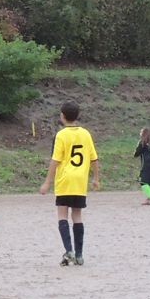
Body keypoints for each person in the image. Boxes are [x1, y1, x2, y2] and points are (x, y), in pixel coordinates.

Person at [39, 102, 100, 267]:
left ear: (62, 116)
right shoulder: (86, 134)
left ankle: (69, 251)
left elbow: (55, 160)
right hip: (80, 181)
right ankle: (79, 255)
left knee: (62, 215)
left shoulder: (61, 135)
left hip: (65, 180)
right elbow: (94, 158)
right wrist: (96, 178)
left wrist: (47, 182)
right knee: (77, 216)